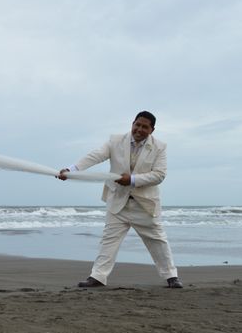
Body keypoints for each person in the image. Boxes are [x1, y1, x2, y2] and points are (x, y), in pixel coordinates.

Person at [58, 111, 183, 289]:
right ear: (133, 123)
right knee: (109, 239)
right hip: (118, 201)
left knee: (157, 240)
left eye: (144, 127)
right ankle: (98, 277)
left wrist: (131, 180)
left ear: (152, 130)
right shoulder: (116, 140)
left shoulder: (160, 147)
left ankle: (172, 277)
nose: (139, 129)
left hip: (144, 204)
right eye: (137, 124)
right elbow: (95, 155)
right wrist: (72, 170)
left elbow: (159, 175)